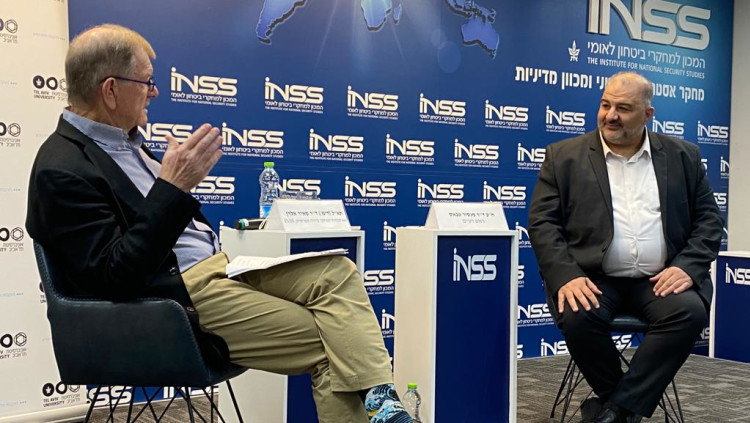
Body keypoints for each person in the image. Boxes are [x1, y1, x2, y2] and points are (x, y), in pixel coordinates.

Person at [26, 24, 412, 423]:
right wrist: (173, 189)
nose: (154, 92)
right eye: (146, 82)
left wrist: (172, 191)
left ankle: (383, 403)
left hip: (219, 270)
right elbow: (114, 276)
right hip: (173, 299)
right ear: (110, 90)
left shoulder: (129, 145)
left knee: (336, 271)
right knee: (337, 344)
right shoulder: (62, 169)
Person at [528, 71, 722, 423]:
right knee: (578, 315)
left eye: (624, 108)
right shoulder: (563, 157)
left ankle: (613, 412)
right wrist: (566, 275)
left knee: (689, 313)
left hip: (659, 279)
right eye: (606, 105)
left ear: (648, 114)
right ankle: (623, 407)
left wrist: (687, 266)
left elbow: (709, 220)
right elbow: (543, 224)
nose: (611, 115)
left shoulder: (683, 156)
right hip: (593, 277)